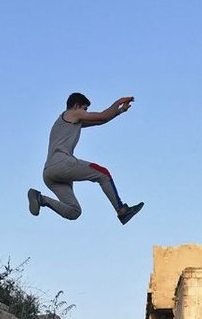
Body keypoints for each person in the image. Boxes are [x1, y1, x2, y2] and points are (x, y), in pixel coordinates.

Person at [28, 92, 144, 224]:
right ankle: (121, 210)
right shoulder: (73, 113)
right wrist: (118, 102)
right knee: (103, 173)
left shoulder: (67, 121)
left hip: (49, 174)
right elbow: (103, 116)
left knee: (74, 211)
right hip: (61, 163)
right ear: (76, 106)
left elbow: (100, 121)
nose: (86, 113)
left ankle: (40, 198)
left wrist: (121, 110)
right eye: (85, 109)